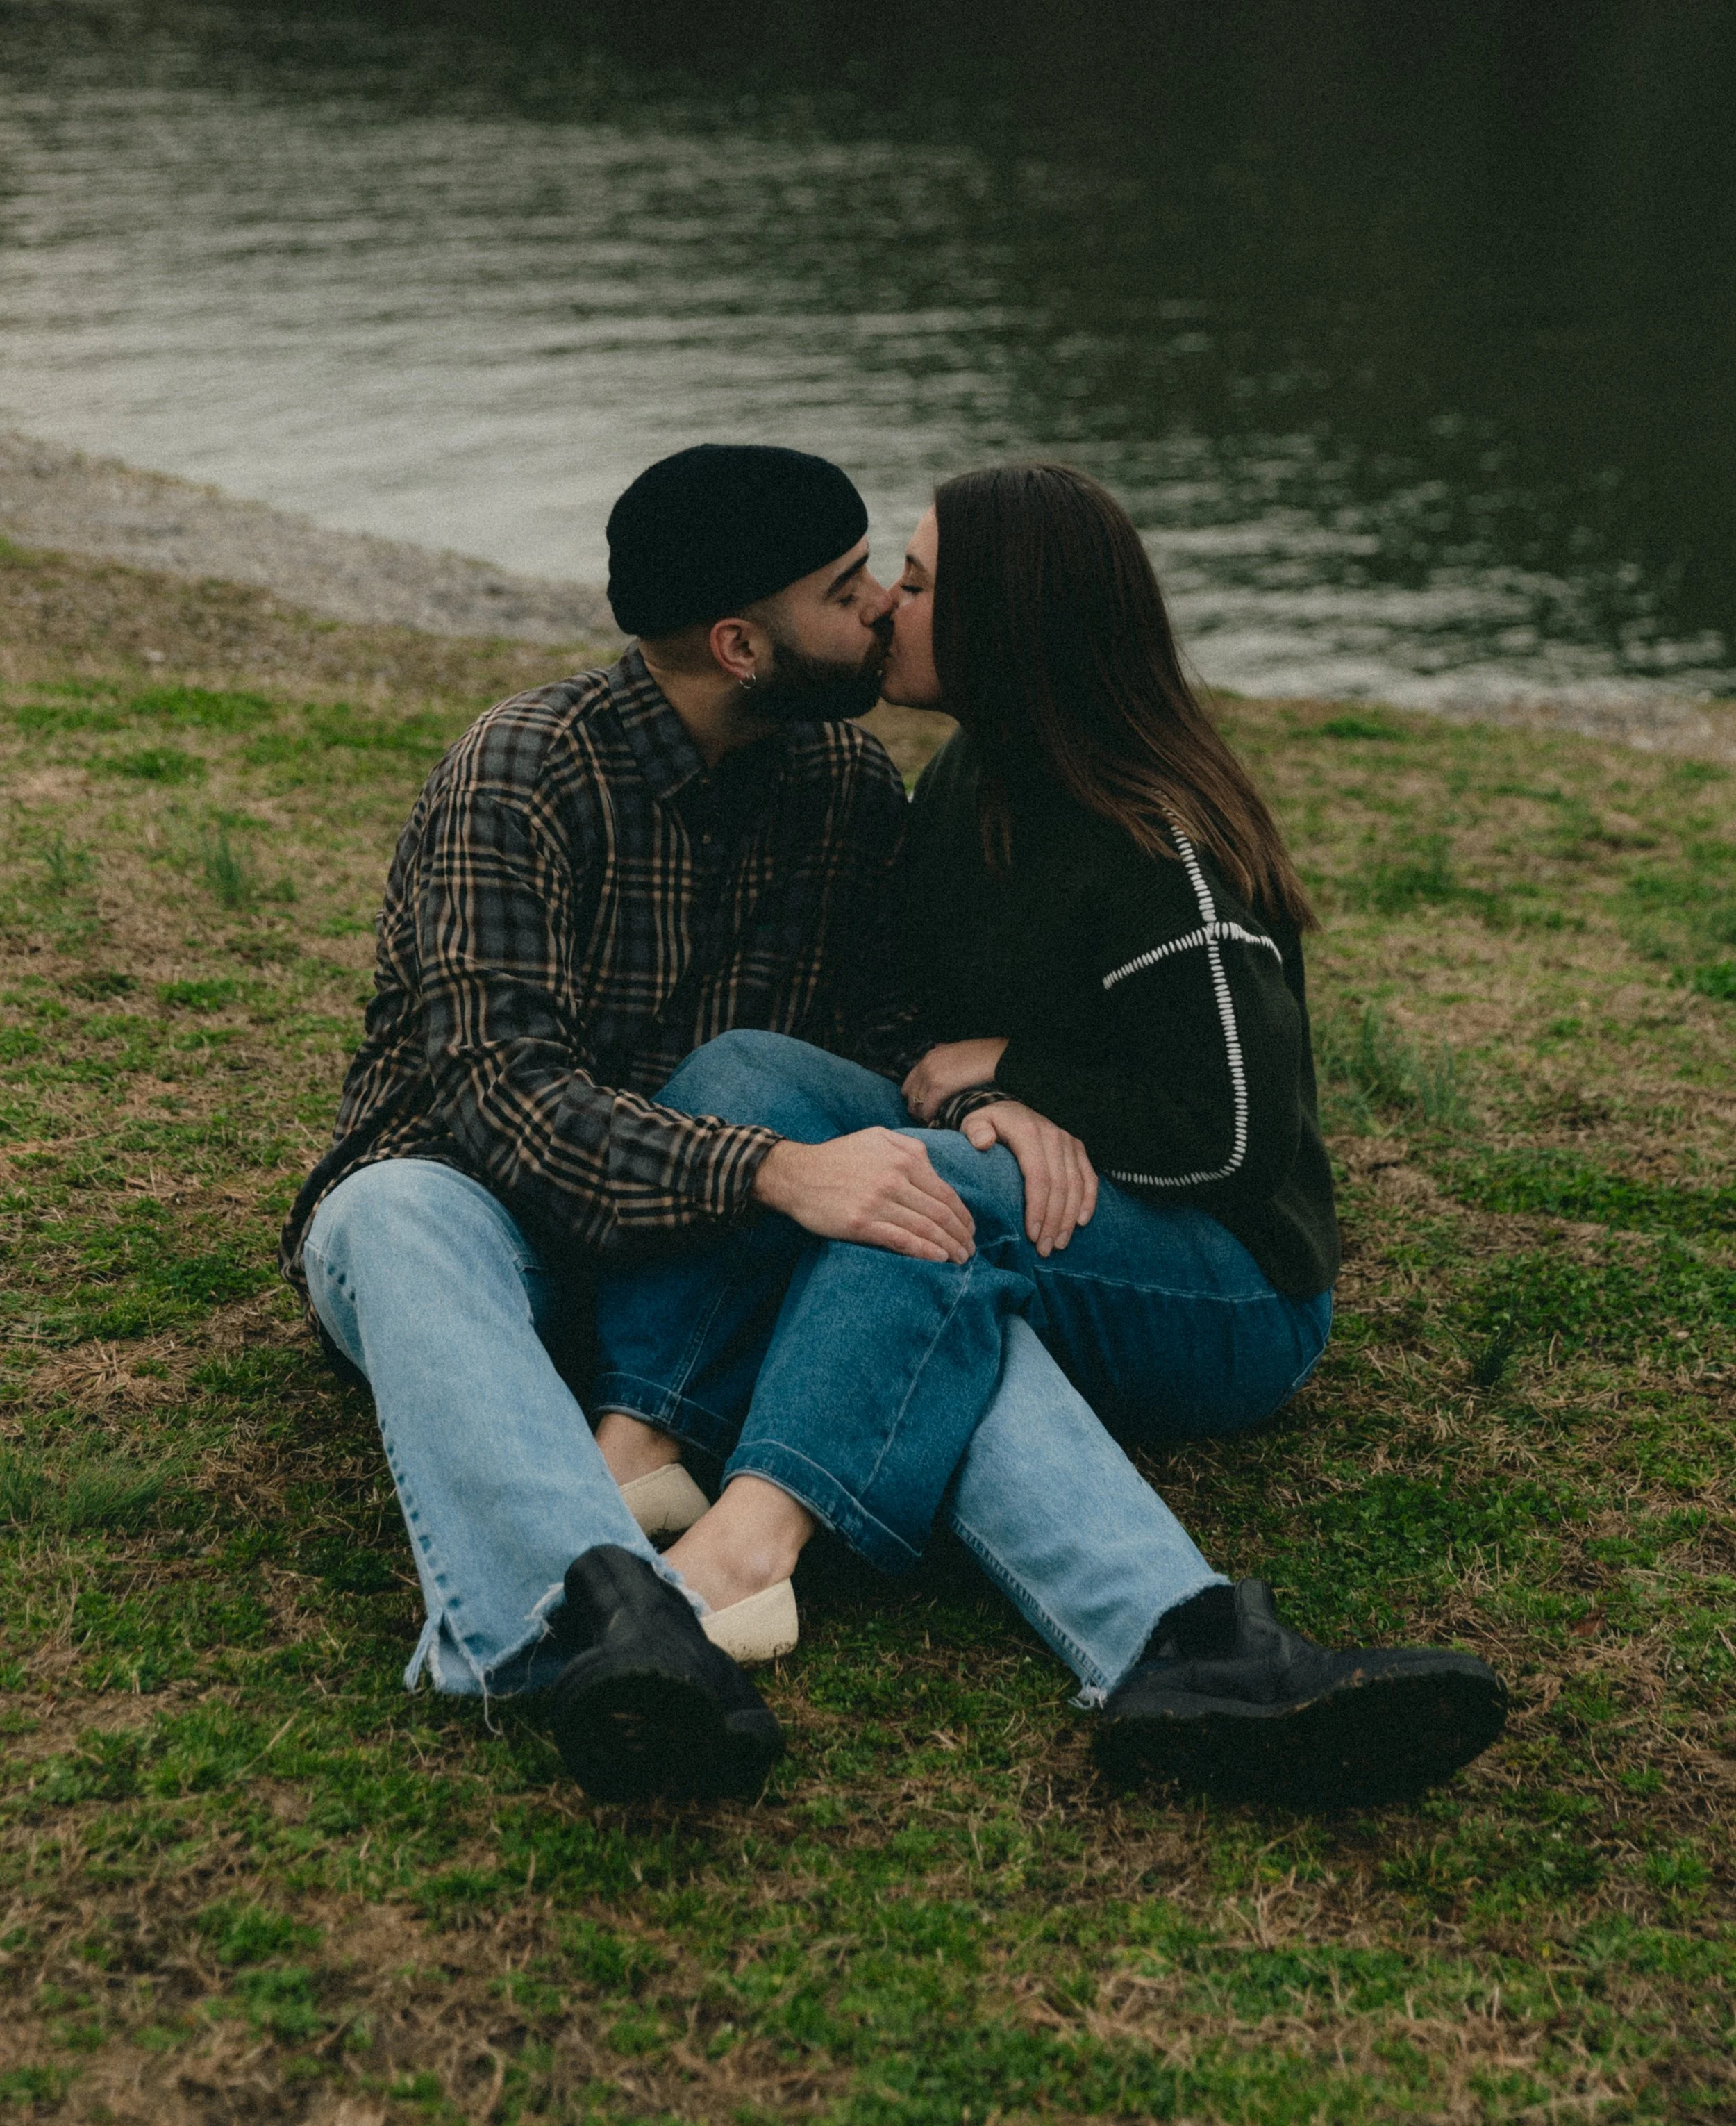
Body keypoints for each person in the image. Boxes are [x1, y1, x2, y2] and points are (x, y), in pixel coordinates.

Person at [282, 443, 1258, 1806]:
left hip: (703, 1268)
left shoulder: (848, 791)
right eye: (844, 586)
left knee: (924, 1220)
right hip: (483, 1241)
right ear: (741, 644)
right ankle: (582, 1627)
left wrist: (978, 1105)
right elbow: (500, 1098)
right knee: (394, 1206)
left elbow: (879, 1037)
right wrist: (778, 1167)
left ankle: (1178, 1635)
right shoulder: (520, 775)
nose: (879, 606)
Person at [588, 463, 1508, 1810]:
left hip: (1228, 1282)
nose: (888, 602)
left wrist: (1017, 1079)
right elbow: (919, 1040)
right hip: (1035, 1196)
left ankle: (738, 1554)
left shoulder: (1152, 833)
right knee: (748, 1075)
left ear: (1008, 621)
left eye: (919, 578)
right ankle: (644, 1452)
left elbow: (1232, 1136)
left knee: (929, 1203)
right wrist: (978, 1097)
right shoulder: (970, 779)